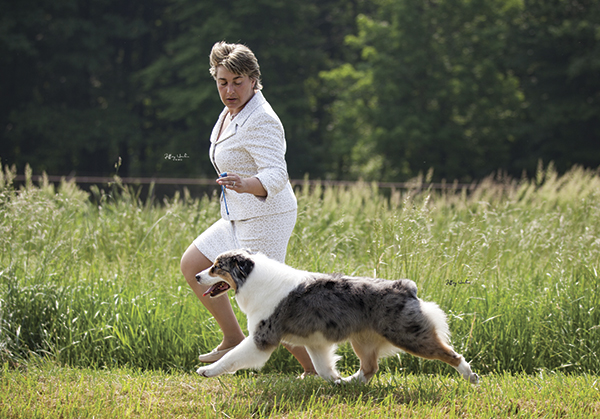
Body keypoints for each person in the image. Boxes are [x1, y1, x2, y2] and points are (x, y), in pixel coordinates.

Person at [180, 41, 316, 376]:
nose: (229, 90)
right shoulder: (231, 112)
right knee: (193, 264)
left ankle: (317, 372)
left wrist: (247, 183)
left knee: (267, 303)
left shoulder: (262, 119)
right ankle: (232, 337)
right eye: (222, 82)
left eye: (237, 82)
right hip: (237, 214)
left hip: (266, 214)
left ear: (254, 79)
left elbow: (276, 173)